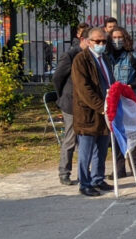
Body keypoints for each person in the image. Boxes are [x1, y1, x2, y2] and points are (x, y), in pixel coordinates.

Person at [71, 27, 114, 197]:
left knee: (101, 149)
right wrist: (102, 107)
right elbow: (84, 89)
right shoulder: (81, 60)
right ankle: (85, 182)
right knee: (86, 151)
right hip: (88, 113)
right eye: (98, 41)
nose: (101, 44)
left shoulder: (105, 59)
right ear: (89, 42)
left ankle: (98, 178)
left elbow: (110, 82)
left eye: (104, 41)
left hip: (104, 113)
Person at [108, 26, 136, 179]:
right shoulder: (106, 57)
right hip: (113, 101)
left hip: (130, 100)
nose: (117, 41)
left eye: (120, 37)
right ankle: (119, 169)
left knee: (132, 133)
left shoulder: (133, 56)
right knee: (116, 134)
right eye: (114, 38)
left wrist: (131, 86)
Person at [51, 25, 89, 186]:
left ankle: (84, 173)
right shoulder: (70, 55)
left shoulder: (91, 56)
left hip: (85, 103)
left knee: (85, 139)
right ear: (83, 39)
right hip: (70, 102)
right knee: (71, 138)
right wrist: (63, 96)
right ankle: (64, 172)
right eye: (92, 41)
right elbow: (57, 78)